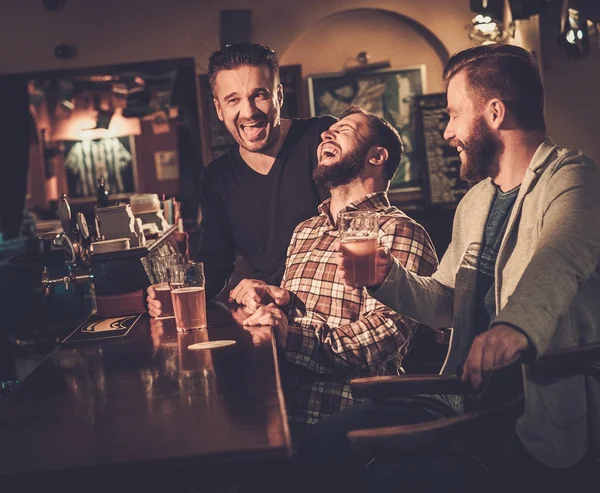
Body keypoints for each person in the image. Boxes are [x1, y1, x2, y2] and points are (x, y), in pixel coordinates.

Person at [331, 44, 600, 488]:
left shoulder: (574, 178)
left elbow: (560, 259)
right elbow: (446, 305)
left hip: (536, 413)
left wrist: (512, 328)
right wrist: (387, 279)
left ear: (495, 113)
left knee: (383, 476)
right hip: (463, 398)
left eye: (454, 114)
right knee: (324, 445)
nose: (447, 132)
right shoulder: (476, 201)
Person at [237, 105, 438, 440]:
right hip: (278, 406)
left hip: (346, 415)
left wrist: (293, 338)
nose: (326, 133)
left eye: (344, 130)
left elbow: (385, 332)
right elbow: (300, 316)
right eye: (329, 131)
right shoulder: (306, 230)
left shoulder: (391, 230)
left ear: (376, 156)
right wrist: (268, 300)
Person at [147, 42, 335, 315]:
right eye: (233, 100)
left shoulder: (321, 139)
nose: (248, 112)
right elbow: (214, 261)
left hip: (333, 309)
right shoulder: (217, 177)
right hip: (268, 317)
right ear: (219, 108)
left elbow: (350, 231)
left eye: (259, 95)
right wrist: (178, 291)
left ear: (279, 96)